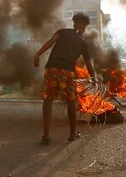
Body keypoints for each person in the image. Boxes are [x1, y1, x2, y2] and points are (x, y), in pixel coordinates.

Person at [33, 12, 96, 144]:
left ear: (74, 23)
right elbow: (89, 63)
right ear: (84, 26)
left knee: (48, 99)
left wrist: (38, 54)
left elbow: (51, 42)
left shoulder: (62, 32)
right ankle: (72, 134)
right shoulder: (83, 42)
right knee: (71, 101)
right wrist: (93, 78)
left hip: (51, 69)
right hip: (66, 72)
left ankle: (46, 135)